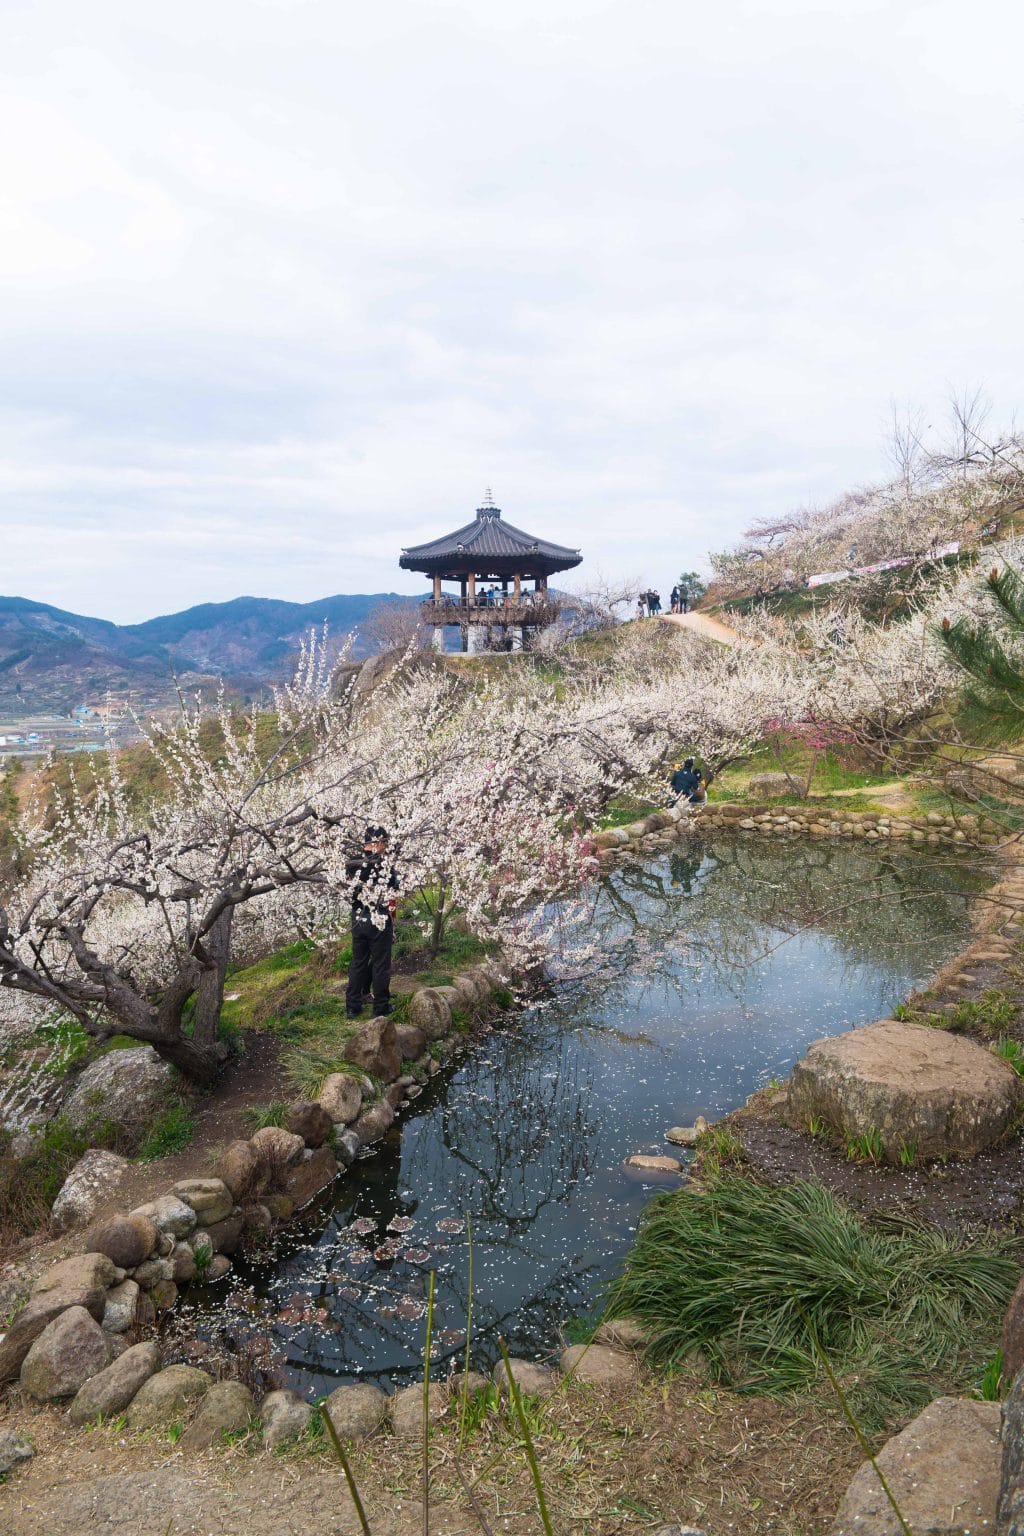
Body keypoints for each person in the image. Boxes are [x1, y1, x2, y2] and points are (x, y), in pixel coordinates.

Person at [345, 824, 400, 1019]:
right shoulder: (383, 864)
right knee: (380, 964)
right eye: (384, 842)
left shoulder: (351, 863)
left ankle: (353, 1006)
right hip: (379, 918)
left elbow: (348, 892)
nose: (386, 846)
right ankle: (380, 1006)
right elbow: (394, 888)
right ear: (377, 842)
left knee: (358, 962)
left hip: (358, 918)